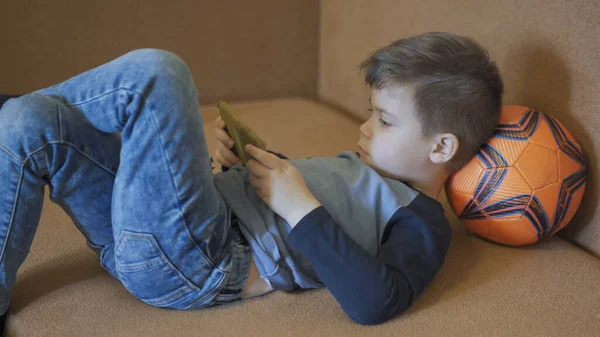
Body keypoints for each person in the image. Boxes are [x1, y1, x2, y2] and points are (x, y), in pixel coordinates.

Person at [0, 31, 503, 329]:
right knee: (31, 123)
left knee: (159, 73)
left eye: (386, 121)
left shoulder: (422, 221)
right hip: (159, 230)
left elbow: (376, 301)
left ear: (441, 147)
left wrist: (298, 205)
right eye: (371, 113)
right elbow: (302, 198)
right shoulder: (364, 173)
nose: (366, 127)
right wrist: (252, 162)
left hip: (204, 260)